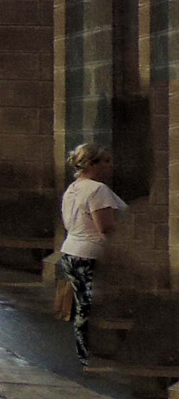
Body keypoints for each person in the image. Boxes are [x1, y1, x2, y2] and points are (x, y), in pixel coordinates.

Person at [59, 143, 125, 366]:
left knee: (84, 304)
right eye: (106, 160)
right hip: (92, 253)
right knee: (96, 306)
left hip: (72, 250)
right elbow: (105, 228)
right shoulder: (97, 190)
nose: (110, 165)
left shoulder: (74, 188)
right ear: (92, 164)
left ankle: (85, 352)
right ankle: (94, 353)